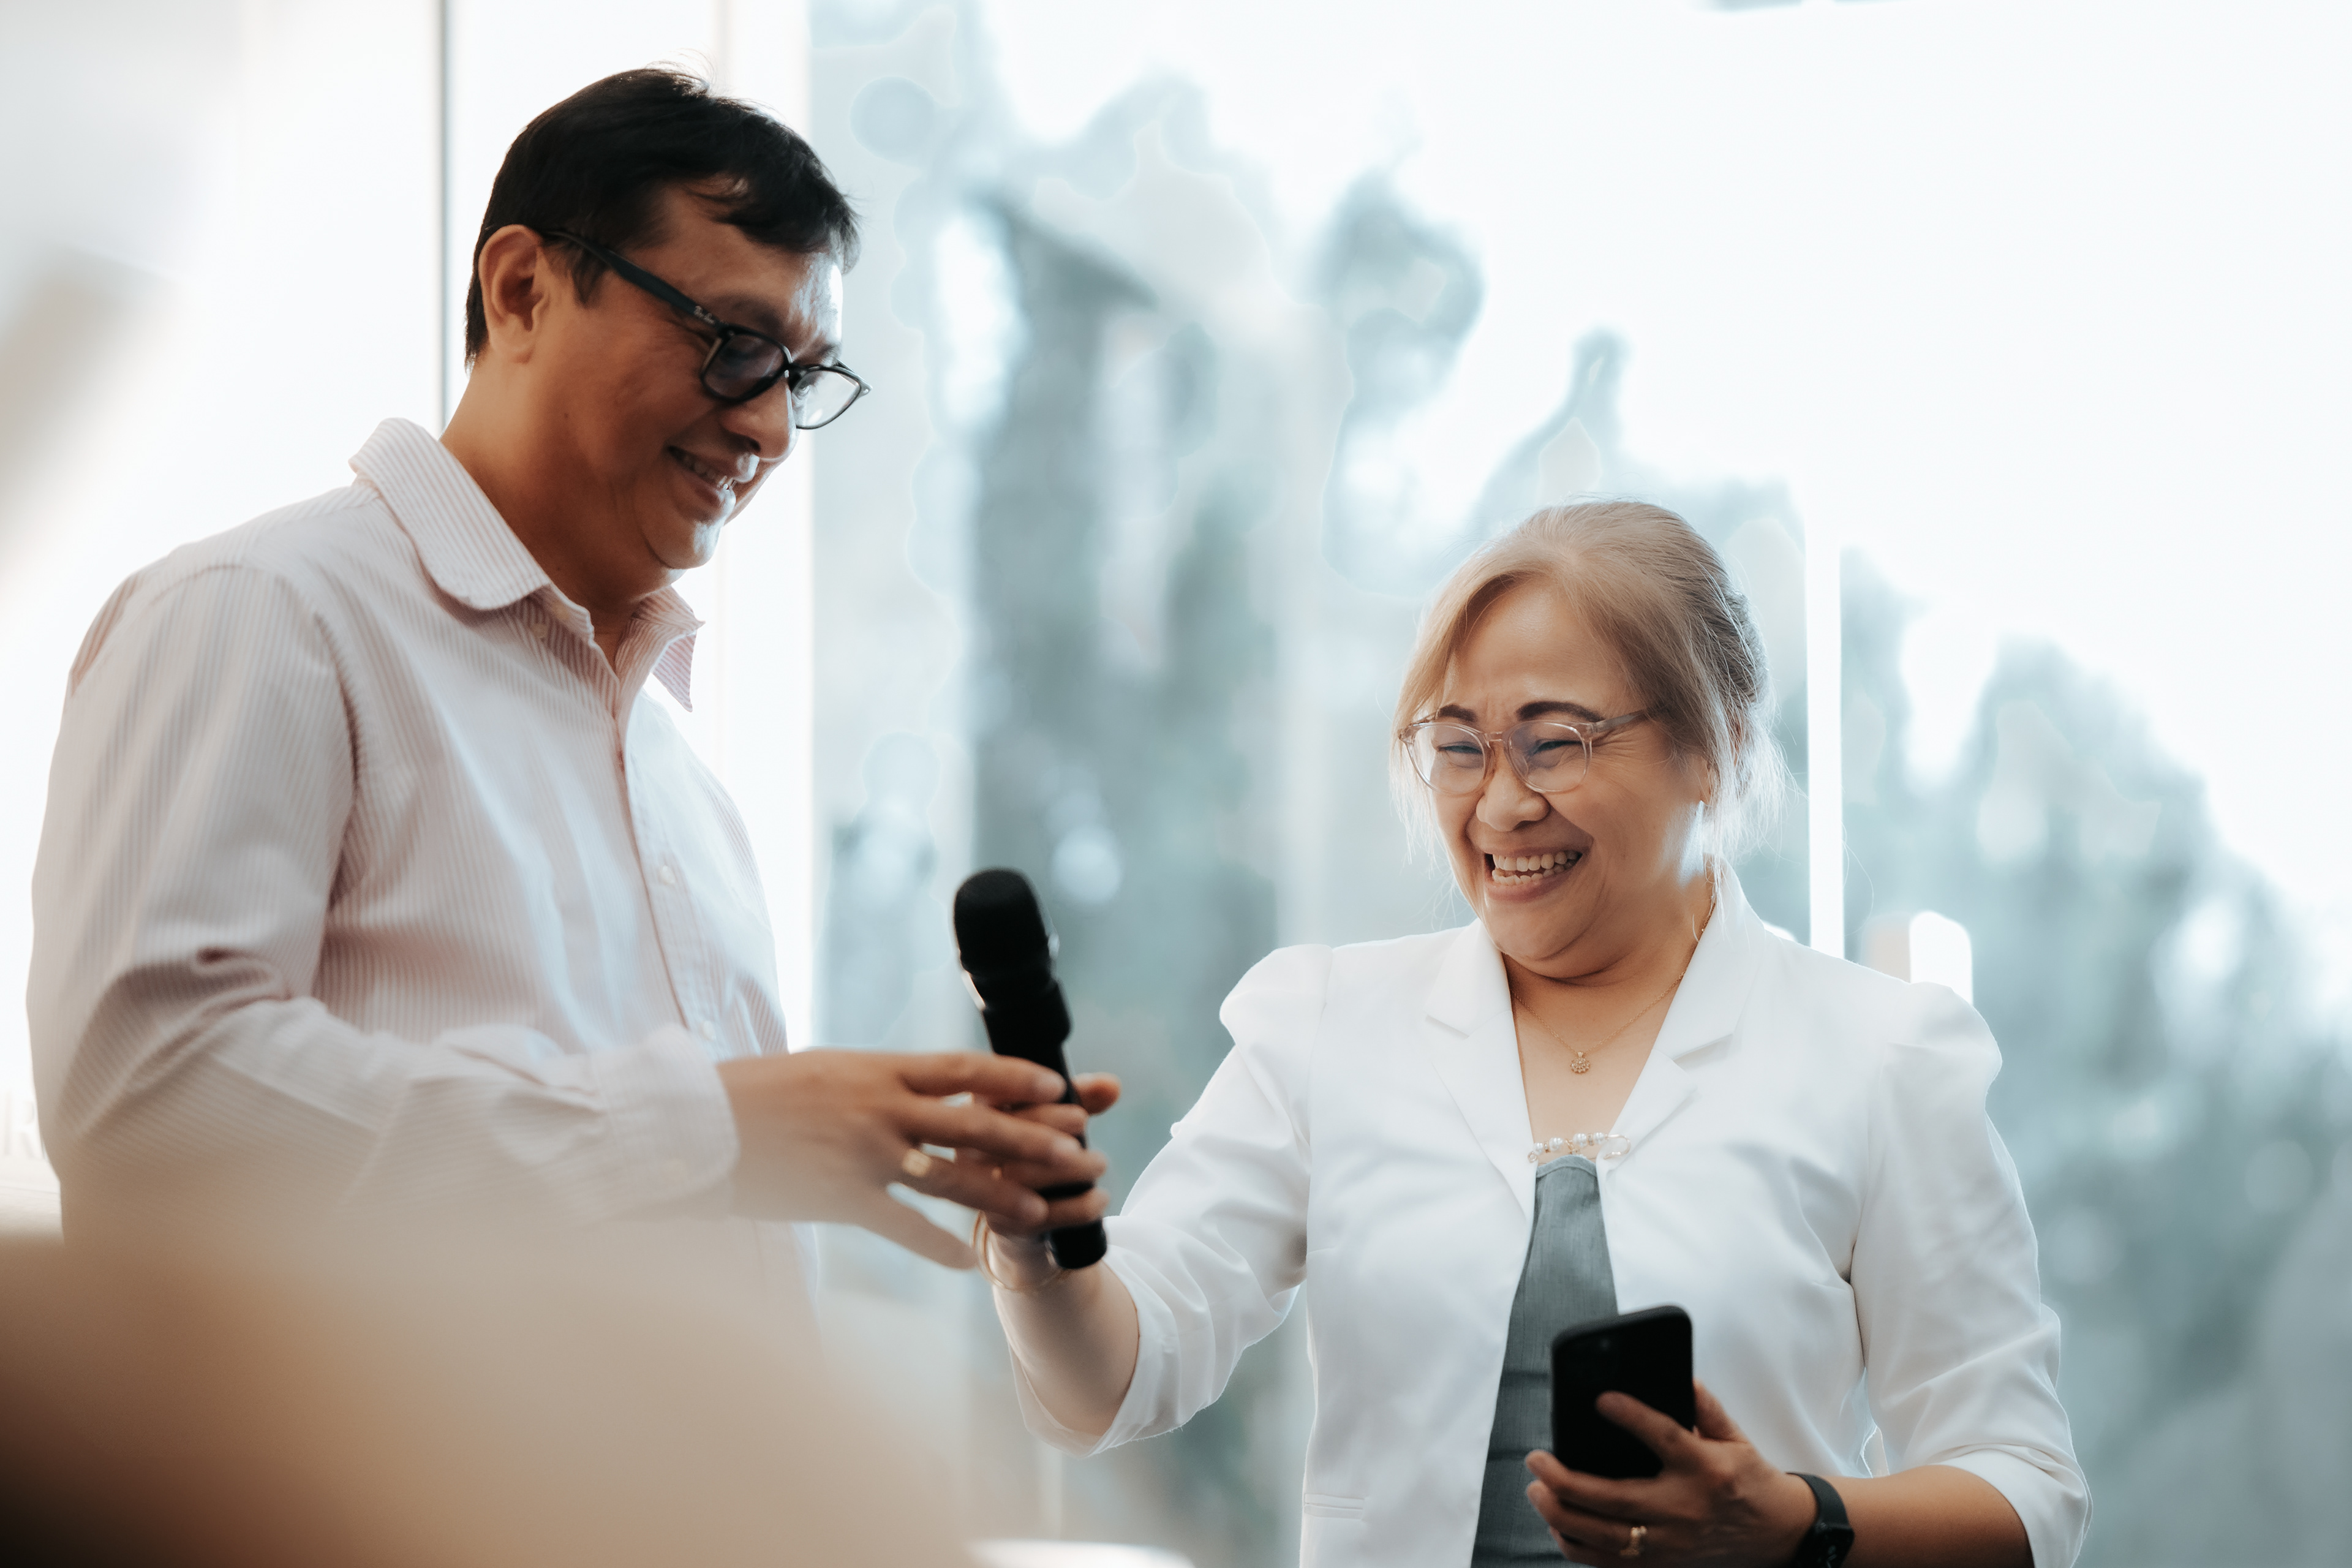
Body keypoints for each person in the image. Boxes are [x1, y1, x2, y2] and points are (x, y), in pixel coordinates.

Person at [28, 69, 1105, 1283]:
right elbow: (148, 1100)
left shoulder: (684, 786)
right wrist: (710, 1129)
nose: (769, 431)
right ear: (523, 290)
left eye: (801, 378)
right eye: (737, 344)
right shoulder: (264, 611)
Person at [977, 503, 2089, 1568]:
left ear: (1716, 744)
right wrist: (1037, 1254)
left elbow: (2025, 1489)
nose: (1501, 806)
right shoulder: (1325, 1026)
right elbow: (1109, 1383)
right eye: (1461, 748)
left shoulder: (1882, 1057)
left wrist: (1794, 1526)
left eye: (1554, 744)